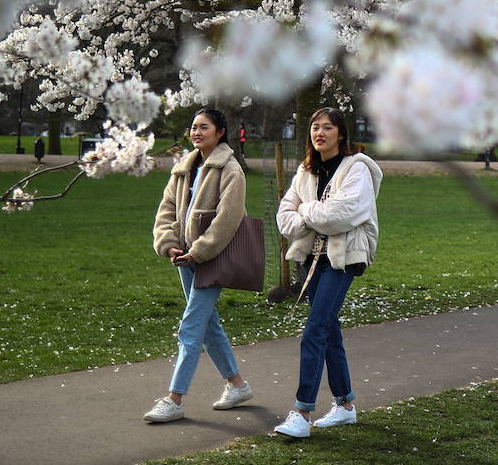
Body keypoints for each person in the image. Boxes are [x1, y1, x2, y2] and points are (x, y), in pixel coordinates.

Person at [274, 107, 384, 439]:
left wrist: (306, 210)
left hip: (343, 258)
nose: (319, 133)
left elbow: (342, 214)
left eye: (327, 128)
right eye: (315, 128)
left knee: (315, 330)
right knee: (329, 330)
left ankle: (301, 411)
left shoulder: (356, 169)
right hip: (312, 259)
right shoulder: (305, 171)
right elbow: (284, 219)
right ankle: (345, 405)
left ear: (341, 133)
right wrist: (312, 214)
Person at [145, 109, 253, 423]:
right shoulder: (184, 168)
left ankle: (174, 399)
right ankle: (238, 386)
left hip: (212, 258)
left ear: (220, 132)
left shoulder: (231, 169)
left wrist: (200, 251)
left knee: (191, 327)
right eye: (193, 127)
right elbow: (166, 209)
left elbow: (228, 219)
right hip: (183, 257)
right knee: (208, 325)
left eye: (203, 127)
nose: (196, 132)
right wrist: (168, 243)